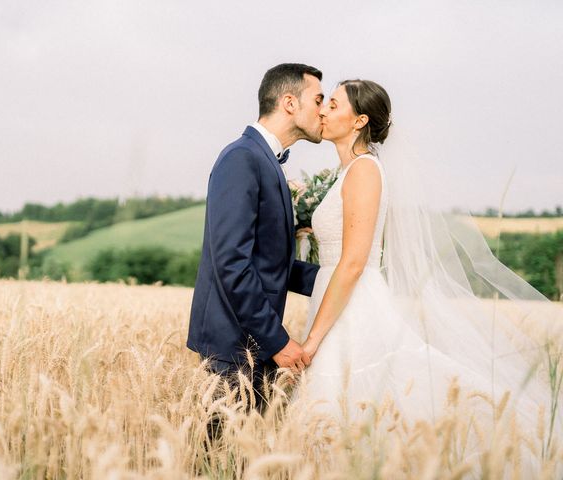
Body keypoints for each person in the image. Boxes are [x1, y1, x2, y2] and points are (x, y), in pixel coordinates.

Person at [295, 79, 562, 468]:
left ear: (359, 120)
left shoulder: (365, 171)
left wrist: (313, 340)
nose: (322, 110)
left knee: (354, 403)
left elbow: (353, 262)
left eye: (332, 105)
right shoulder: (347, 172)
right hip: (334, 297)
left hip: (353, 305)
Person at [187, 63, 323, 420]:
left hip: (251, 344)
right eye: (319, 99)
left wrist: (334, 277)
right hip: (233, 346)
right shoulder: (242, 158)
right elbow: (232, 262)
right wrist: (276, 341)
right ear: (290, 103)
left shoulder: (265, 160)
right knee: (217, 463)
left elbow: (270, 261)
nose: (323, 110)